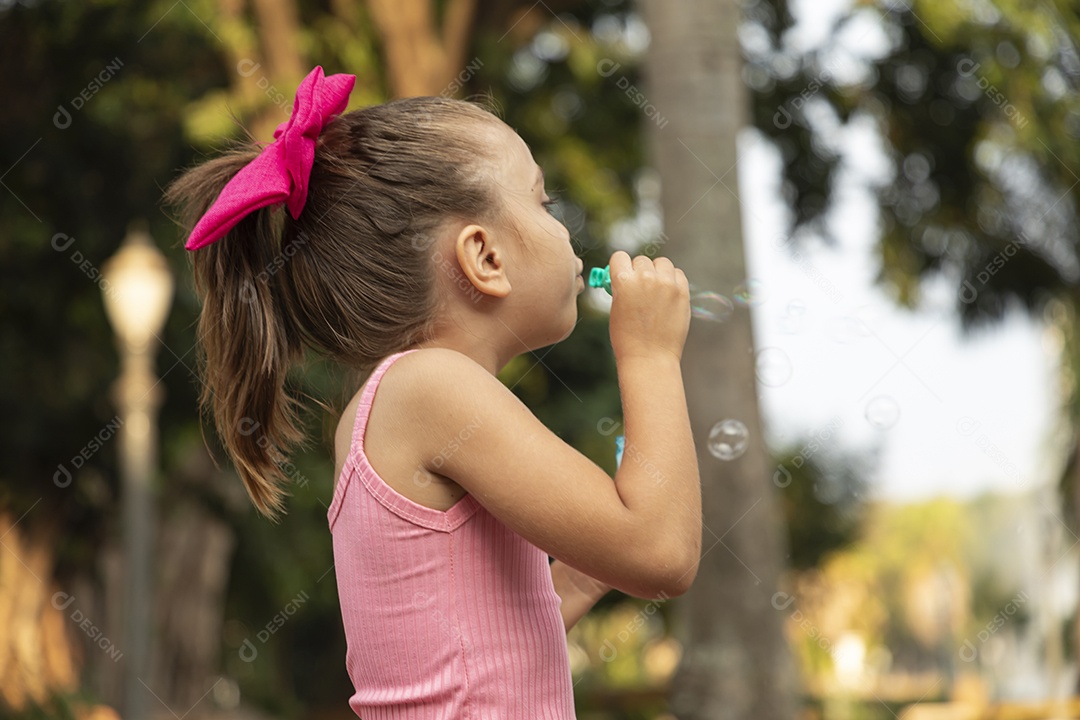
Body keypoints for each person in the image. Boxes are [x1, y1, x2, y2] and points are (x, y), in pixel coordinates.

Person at [165, 66, 701, 719]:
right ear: (485, 258)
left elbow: (468, 660)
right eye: (543, 202)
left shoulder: (405, 399)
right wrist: (648, 354)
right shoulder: (430, 388)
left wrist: (578, 579)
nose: (563, 230)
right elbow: (663, 554)